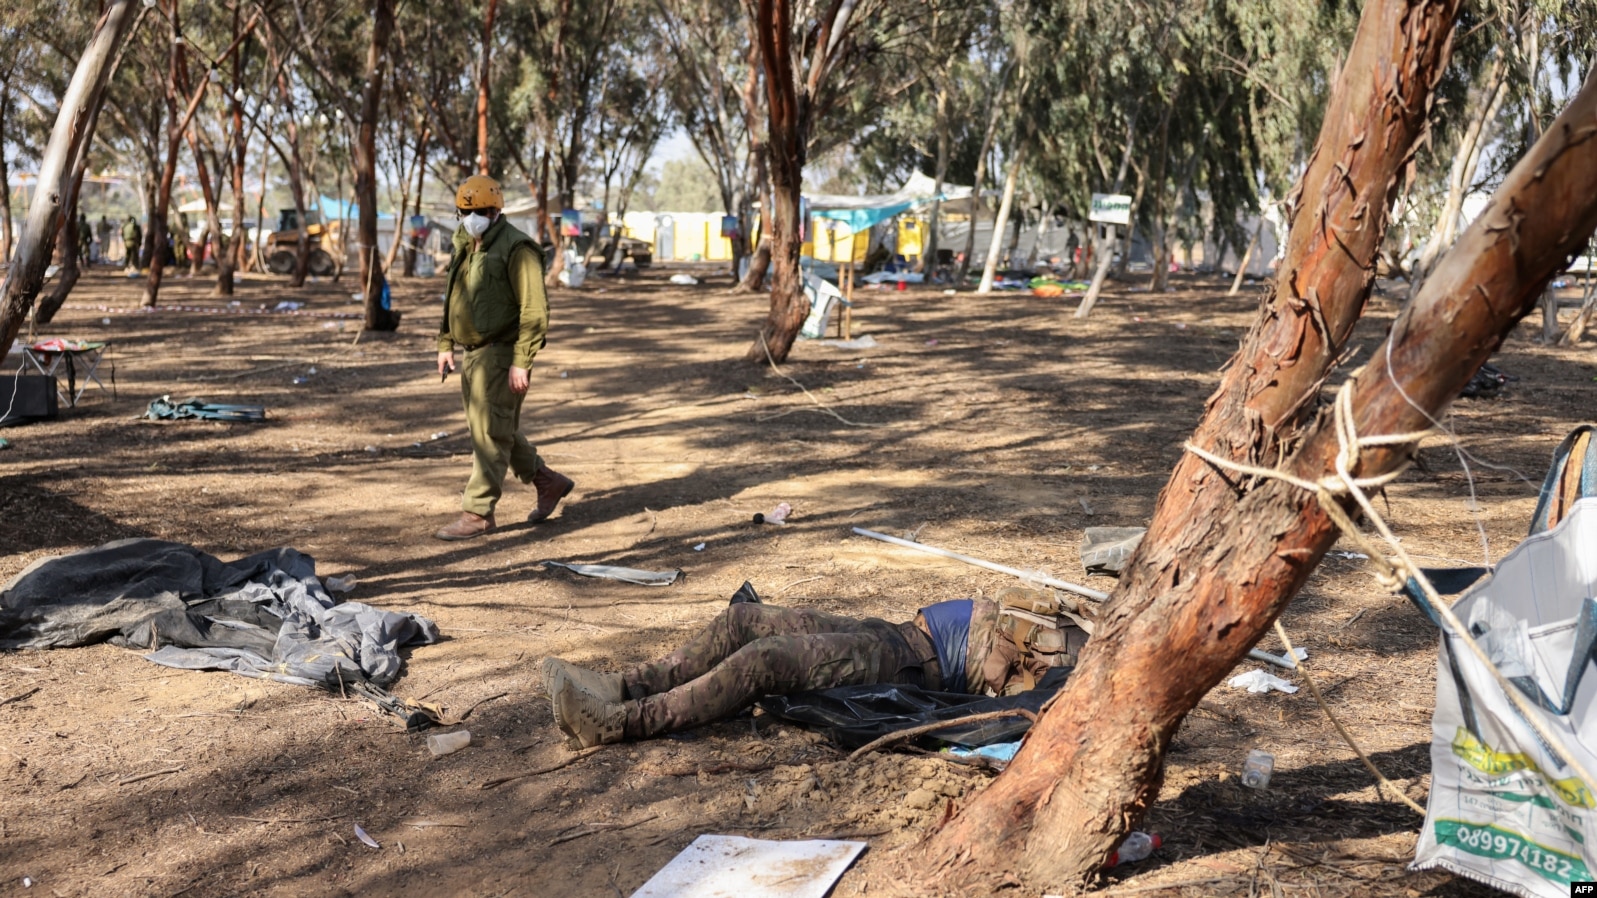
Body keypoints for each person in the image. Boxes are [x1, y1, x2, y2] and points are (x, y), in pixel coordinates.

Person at [541, 590, 1064, 748]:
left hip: (909, 666)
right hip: (893, 633)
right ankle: (618, 685)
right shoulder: (1096, 620)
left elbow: (1032, 709)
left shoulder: (1082, 660)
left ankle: (621, 721)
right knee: (744, 619)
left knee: (766, 662)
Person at [434, 175, 573, 540]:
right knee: (497, 429)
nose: (474, 217)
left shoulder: (518, 248)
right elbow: (454, 295)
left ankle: (478, 513)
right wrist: (445, 342)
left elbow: (535, 309)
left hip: (501, 354)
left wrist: (522, 360)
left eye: (481, 211)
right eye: (466, 211)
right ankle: (548, 482)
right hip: (473, 355)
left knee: (490, 434)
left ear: (497, 210)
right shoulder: (466, 243)